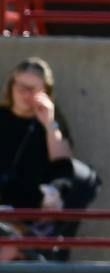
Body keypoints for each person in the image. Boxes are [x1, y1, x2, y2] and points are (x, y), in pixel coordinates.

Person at [0, 59, 101, 257]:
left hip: (30, 210)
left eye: (33, 89)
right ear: (11, 86)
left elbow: (65, 167)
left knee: (11, 246)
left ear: (46, 91)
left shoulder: (50, 123)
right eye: (20, 86)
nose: (25, 94)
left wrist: (49, 123)